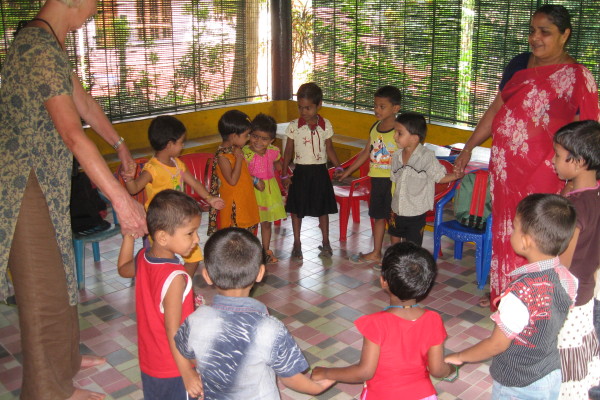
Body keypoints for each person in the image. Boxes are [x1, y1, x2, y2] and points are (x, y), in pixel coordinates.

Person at [0, 1, 147, 399]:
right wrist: (121, 201)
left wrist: (119, 145)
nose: (94, 12)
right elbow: (71, 133)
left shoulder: (48, 45)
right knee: (42, 289)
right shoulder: (38, 47)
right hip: (22, 185)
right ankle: (49, 391)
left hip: (44, 182)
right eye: (94, 5)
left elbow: (82, 104)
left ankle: (66, 363)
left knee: (62, 274)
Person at [453, 4, 599, 309]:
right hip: (506, 173)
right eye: (532, 30)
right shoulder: (519, 65)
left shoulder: (577, 76)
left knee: (537, 236)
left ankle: (533, 302)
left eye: (545, 32)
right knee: (508, 231)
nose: (536, 38)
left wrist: (575, 185)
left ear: (565, 35)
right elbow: (496, 110)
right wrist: (468, 147)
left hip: (546, 176)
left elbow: (589, 135)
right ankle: (505, 295)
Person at [174, 227, 335, 398]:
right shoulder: (270, 328)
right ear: (260, 273)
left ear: (207, 276)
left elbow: (180, 347)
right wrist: (315, 387)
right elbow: (291, 378)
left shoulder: (195, 319)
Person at [445, 194, 578, 400]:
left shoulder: (520, 293)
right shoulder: (567, 278)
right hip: (550, 373)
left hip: (518, 385)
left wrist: (460, 356)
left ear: (526, 241)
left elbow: (496, 344)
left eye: (515, 228)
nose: (512, 232)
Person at [312, 242, 456, 399]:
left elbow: (364, 372)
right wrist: (450, 369)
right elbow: (437, 370)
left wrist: (326, 372)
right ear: (426, 284)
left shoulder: (376, 323)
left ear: (383, 281)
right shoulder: (433, 320)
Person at [117, 190, 203, 400]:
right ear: (163, 237)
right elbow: (174, 330)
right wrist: (187, 372)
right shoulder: (175, 277)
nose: (197, 239)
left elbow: (122, 269)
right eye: (190, 233)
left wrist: (128, 235)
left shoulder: (144, 258)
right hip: (173, 366)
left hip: (150, 361)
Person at [121, 115, 224, 276]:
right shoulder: (152, 169)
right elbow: (134, 189)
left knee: (194, 258)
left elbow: (195, 183)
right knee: (161, 262)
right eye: (181, 142)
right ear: (170, 144)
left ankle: (182, 286)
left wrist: (210, 198)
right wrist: (129, 179)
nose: (183, 146)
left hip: (180, 220)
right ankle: (162, 287)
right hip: (160, 223)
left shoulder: (178, 164)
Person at [551, 120, 600, 399]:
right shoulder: (594, 195)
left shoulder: (574, 210)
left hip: (567, 299)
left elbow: (561, 267)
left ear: (579, 161)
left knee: (564, 366)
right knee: (579, 355)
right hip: (586, 293)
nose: (553, 160)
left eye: (558, 155)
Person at [340, 85, 402, 265]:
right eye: (375, 105)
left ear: (395, 108)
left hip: (394, 183)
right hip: (377, 180)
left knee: (393, 220)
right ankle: (376, 252)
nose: (377, 110)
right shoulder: (375, 128)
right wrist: (348, 171)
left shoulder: (400, 130)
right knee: (378, 216)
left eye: (382, 106)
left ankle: (394, 258)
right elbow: (366, 152)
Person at [281, 82, 343, 259]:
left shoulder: (326, 125)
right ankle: (297, 243)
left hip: (320, 173)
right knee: (296, 209)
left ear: (319, 105)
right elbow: (288, 151)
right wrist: (285, 173)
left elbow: (329, 148)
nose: (303, 112)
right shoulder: (294, 126)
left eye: (308, 108)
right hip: (300, 172)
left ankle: (326, 242)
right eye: (300, 108)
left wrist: (338, 166)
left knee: (322, 208)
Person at [389, 112, 462, 247]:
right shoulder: (396, 156)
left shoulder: (426, 157)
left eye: (399, 133)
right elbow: (394, 180)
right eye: (395, 132)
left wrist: (456, 175)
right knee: (394, 238)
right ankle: (395, 263)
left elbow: (439, 177)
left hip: (416, 212)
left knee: (412, 246)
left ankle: (410, 267)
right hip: (396, 209)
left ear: (414, 138)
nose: (394, 136)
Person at [243, 113, 287, 264]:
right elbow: (242, 174)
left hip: (269, 192)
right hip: (251, 192)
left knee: (266, 223)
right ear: (249, 134)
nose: (259, 141)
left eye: (264, 138)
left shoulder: (273, 151)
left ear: (271, 140)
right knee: (251, 223)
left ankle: (265, 250)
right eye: (255, 136)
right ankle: (250, 253)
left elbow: (278, 165)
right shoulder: (245, 153)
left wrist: (285, 177)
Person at [207, 110, 260, 235]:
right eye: (245, 135)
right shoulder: (223, 156)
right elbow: (232, 180)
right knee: (238, 238)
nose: (248, 139)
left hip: (245, 201)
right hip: (236, 207)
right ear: (233, 136)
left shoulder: (234, 150)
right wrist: (239, 159)